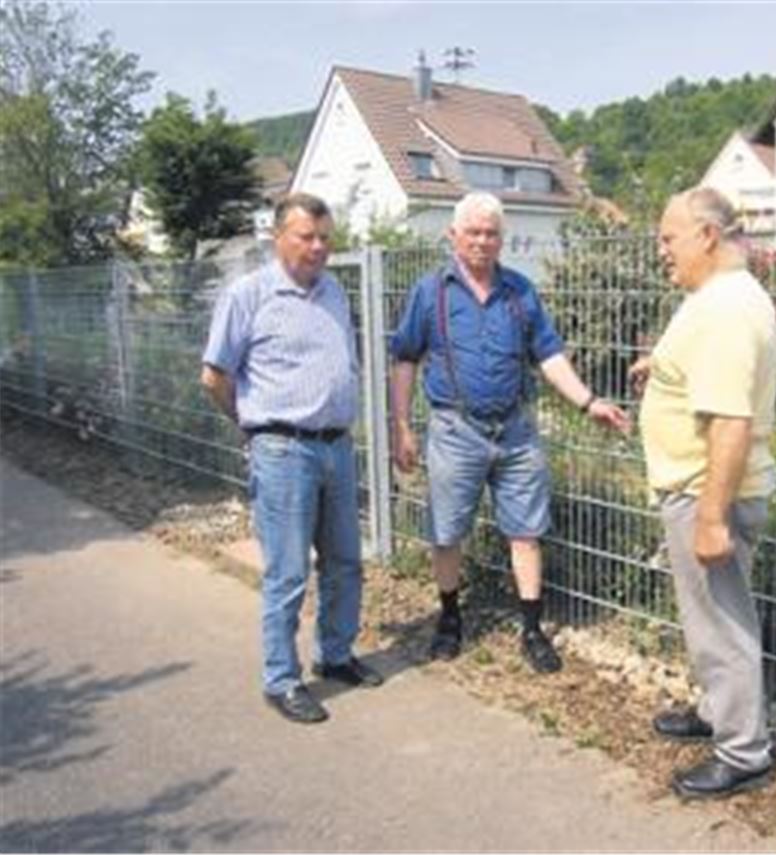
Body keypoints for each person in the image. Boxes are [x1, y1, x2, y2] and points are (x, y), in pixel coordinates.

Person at [391, 191, 629, 674]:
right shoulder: (430, 291)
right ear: (453, 236)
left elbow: (549, 356)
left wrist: (588, 401)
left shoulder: (521, 292)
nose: (482, 241)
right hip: (455, 429)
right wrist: (401, 427)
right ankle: (450, 618)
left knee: (526, 531)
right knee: (447, 531)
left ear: (502, 239)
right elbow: (405, 359)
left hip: (516, 430)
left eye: (491, 233)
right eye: (473, 232)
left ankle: (532, 629)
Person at [201, 192, 382, 725]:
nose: (319, 247)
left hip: (337, 447)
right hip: (282, 450)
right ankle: (281, 679)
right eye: (307, 236)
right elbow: (213, 377)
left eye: (326, 237)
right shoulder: (248, 295)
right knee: (287, 573)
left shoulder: (334, 294)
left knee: (346, 561)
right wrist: (255, 428)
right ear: (279, 237)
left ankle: (335, 653)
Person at [630, 186, 776, 799]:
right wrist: (660, 369)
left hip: (706, 491)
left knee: (721, 620)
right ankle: (720, 713)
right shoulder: (718, 299)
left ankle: (744, 751)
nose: (662, 250)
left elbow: (730, 420)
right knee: (708, 616)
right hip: (697, 487)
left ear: (707, 237)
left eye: (669, 238)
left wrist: (711, 517)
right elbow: (706, 375)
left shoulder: (724, 309)